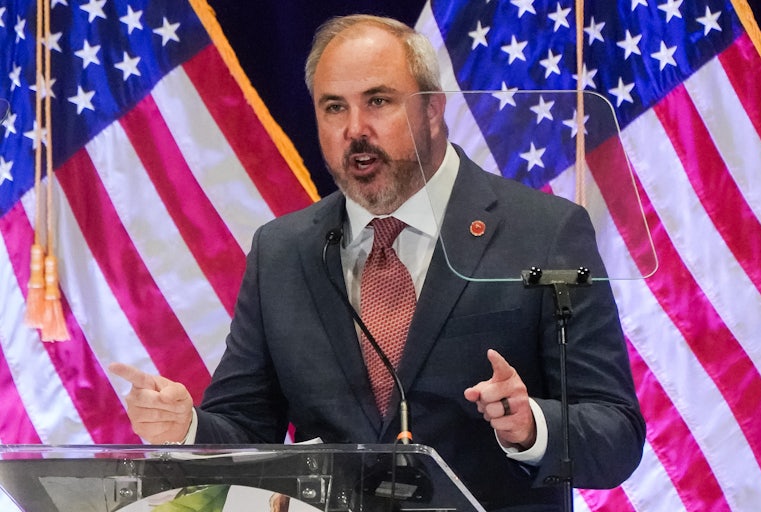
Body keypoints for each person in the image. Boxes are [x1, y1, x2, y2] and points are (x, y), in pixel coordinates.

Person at [110, 14, 644, 511]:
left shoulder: (544, 231)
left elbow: (616, 435)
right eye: (334, 107)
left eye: (379, 101)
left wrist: (531, 427)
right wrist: (187, 426)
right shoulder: (283, 249)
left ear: (433, 109)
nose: (355, 128)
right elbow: (248, 426)